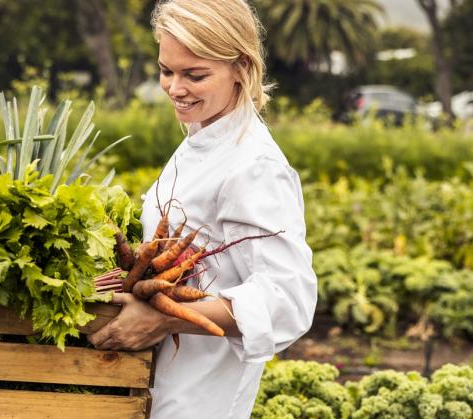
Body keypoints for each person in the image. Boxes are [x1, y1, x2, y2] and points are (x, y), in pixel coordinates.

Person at [87, 1, 318, 418]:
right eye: (166, 71)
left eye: (194, 75)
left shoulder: (254, 166)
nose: (175, 88)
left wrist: (165, 319)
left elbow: (287, 299)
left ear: (241, 68)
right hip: (158, 380)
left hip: (200, 396)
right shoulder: (202, 136)